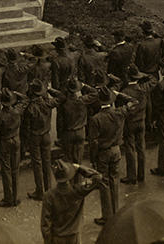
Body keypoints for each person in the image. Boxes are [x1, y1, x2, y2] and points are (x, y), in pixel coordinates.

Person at [88, 86, 134, 225]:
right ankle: (115, 211)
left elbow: (93, 142)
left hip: (103, 153)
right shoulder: (120, 112)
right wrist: (119, 94)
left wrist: (93, 158)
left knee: (104, 183)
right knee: (114, 181)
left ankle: (107, 215)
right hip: (117, 150)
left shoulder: (96, 119)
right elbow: (134, 101)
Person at [40, 160, 104, 244]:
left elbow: (45, 224)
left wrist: (48, 241)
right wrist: (79, 168)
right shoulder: (78, 191)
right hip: (74, 235)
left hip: (57, 237)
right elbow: (98, 177)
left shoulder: (49, 196)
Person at [0, 88, 27, 207]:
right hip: (16, 139)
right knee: (15, 169)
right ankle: (15, 197)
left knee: (6, 171)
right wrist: (14, 93)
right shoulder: (17, 111)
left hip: (5, 141)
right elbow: (24, 99)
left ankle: (8, 198)